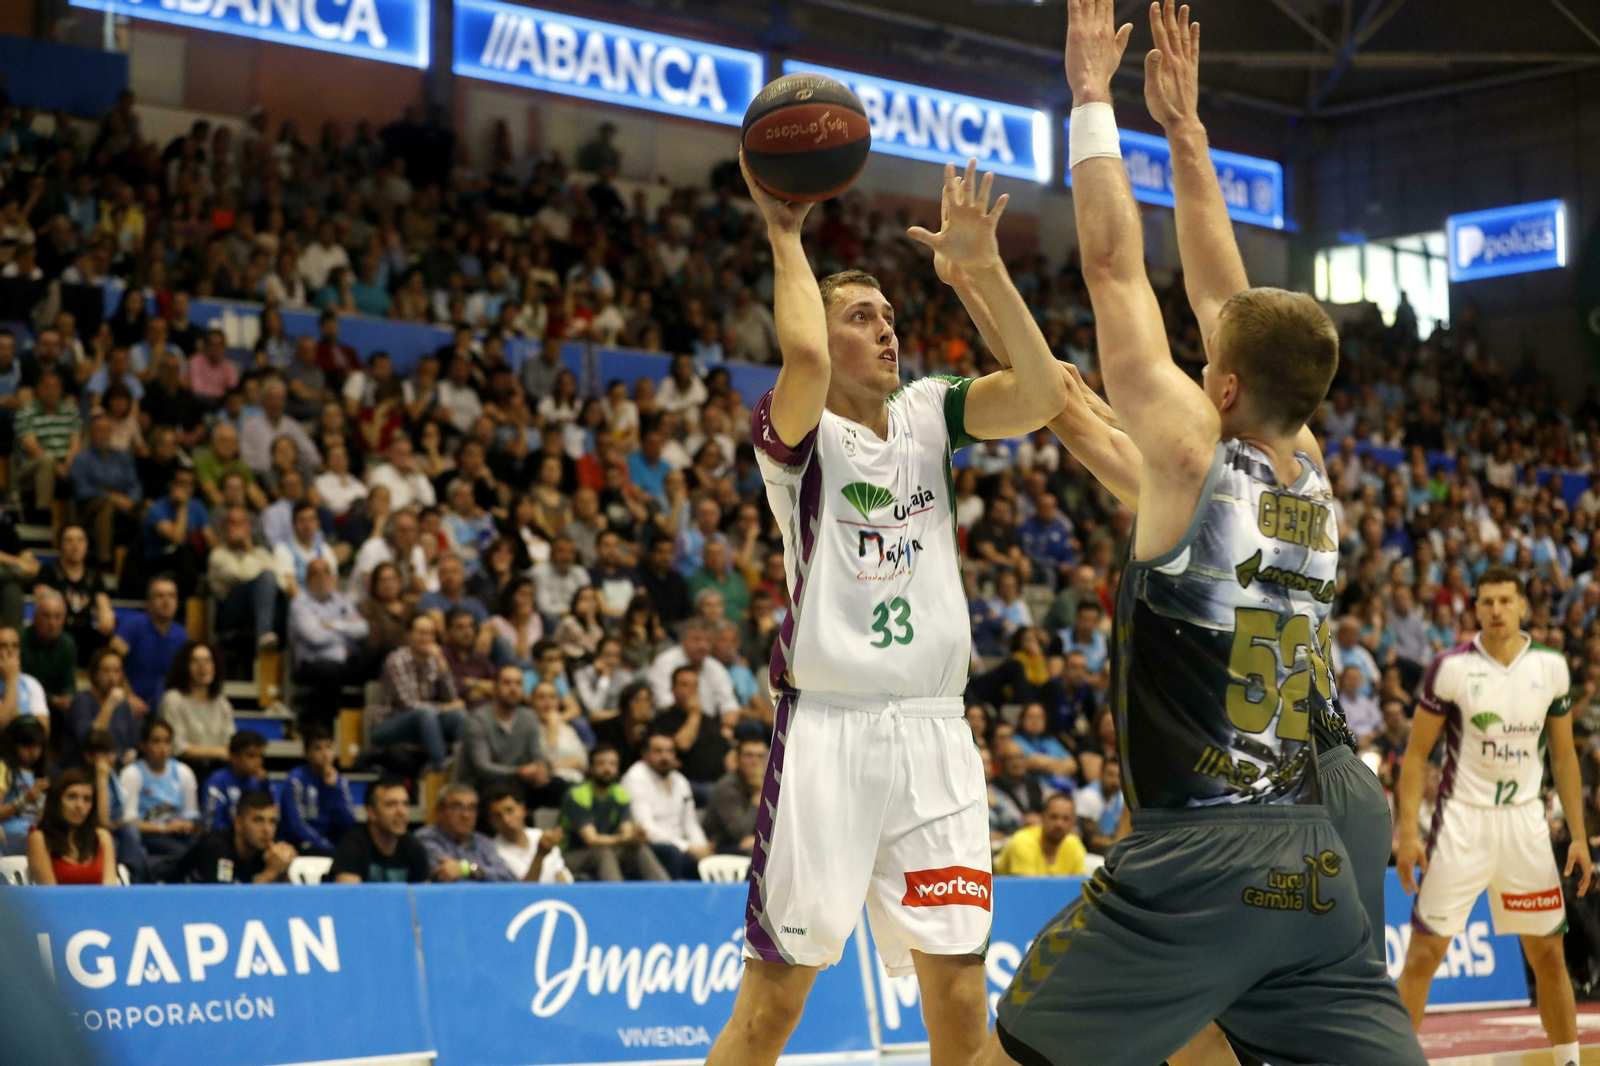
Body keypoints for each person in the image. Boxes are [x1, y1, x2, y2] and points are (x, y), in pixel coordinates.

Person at [984, 6, 1422, 1066]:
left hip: (1202, 849)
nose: (1200, 355)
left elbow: (1111, 269)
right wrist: (1185, 132)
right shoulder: (1312, 473)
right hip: (1310, 849)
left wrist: (1092, 100)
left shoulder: (1189, 456)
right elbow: (1231, 298)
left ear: (1221, 387)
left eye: (1209, 361)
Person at [1396, 567, 1589, 1066]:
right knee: (1424, 955)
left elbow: (1564, 756)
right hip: (1462, 823)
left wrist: (1579, 836)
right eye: (1487, 602)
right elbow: (1415, 757)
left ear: (1523, 606)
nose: (1496, 610)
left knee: (1548, 955)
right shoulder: (1451, 668)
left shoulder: (1551, 667)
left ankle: (1568, 1061)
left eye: (1505, 601)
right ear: (1476, 609)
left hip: (1525, 823)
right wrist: (1407, 833)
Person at [559, 744, 669, 882]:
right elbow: (591, 840)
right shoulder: (578, 795)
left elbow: (626, 832)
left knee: (638, 848)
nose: (608, 769)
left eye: (613, 764)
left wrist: (635, 836)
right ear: (591, 768)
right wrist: (623, 838)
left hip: (608, 849)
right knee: (603, 853)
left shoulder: (620, 793)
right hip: (570, 854)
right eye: (601, 764)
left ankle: (665, 889)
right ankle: (618, 894)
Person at [370, 614, 466, 772]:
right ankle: (440, 769)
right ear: (409, 635)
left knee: (459, 716)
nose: (426, 638)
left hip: (426, 723)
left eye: (430, 634)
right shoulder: (396, 660)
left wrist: (442, 665)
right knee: (425, 713)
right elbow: (408, 704)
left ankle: (461, 769)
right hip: (390, 723)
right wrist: (443, 708)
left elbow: (452, 699)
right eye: (421, 633)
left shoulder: (434, 660)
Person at [460, 664, 559, 805]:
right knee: (498, 787)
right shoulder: (477, 720)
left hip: (518, 784)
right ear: (495, 688)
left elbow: (536, 755)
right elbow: (482, 767)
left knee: (558, 785)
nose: (513, 689)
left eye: (518, 683)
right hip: (483, 785)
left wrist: (540, 769)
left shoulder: (529, 717)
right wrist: (520, 772)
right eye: (507, 683)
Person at [288, 558, 369, 729]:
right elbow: (315, 637)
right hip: (314, 663)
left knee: (380, 656)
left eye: (326, 573)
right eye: (316, 574)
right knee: (330, 672)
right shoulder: (300, 603)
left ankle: (369, 725)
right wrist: (346, 633)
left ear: (333, 577)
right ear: (308, 579)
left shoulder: (342, 600)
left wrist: (333, 625)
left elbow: (363, 629)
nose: (322, 578)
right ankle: (326, 728)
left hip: (346, 661)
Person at [620, 730, 713, 879]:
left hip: (681, 845)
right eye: (658, 751)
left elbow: (690, 823)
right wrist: (687, 847)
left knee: (712, 859)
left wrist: (701, 847)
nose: (665, 757)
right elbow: (646, 828)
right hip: (651, 845)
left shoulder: (680, 780)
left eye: (670, 751)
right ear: (645, 754)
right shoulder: (635, 778)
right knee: (673, 854)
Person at [117, 718, 200, 877]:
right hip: (147, 835)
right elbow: (127, 822)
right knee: (181, 852)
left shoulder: (183, 772)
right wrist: (164, 828)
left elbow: (191, 815)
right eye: (156, 741)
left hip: (177, 835)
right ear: (143, 745)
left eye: (167, 742)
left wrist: (187, 825)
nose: (162, 748)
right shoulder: (132, 773)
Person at [206, 506, 287, 652]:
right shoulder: (218, 554)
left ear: (249, 526)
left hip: (263, 608)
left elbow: (280, 581)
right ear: (224, 527)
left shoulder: (261, 552)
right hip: (232, 609)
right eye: (233, 523)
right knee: (266, 577)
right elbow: (243, 576)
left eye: (242, 523)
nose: (238, 527)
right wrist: (248, 549)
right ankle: (264, 634)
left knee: (285, 596)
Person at [36, 525, 115, 667]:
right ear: (60, 545)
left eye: (80, 540)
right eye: (69, 540)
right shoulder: (49, 571)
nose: (75, 546)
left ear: (86, 546)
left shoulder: (93, 576)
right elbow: (43, 601)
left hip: (84, 633)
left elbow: (104, 605)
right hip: (58, 632)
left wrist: (105, 616)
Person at [67, 412, 140, 566]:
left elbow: (135, 484)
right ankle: (104, 560)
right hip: (93, 503)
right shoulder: (82, 458)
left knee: (148, 509)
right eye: (99, 429)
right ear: (91, 432)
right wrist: (110, 496)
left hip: (124, 500)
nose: (103, 434)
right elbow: (81, 488)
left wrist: (132, 499)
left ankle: (145, 560)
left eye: (107, 430)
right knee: (106, 507)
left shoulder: (123, 457)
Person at [179, 788, 295, 884]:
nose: (267, 829)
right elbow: (227, 900)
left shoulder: (268, 852)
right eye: (258, 820)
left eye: (272, 821)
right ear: (238, 824)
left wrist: (284, 869)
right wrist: (271, 872)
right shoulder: (216, 848)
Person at [330, 775, 431, 883]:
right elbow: (348, 892)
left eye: (405, 804)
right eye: (391, 804)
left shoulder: (413, 847)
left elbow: (424, 892)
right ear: (371, 812)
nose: (401, 812)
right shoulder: (352, 847)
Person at [26, 769, 117, 885]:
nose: (79, 805)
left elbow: (110, 888)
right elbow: (49, 892)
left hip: (100, 898)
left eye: (87, 799)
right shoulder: (39, 838)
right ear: (56, 800)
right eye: (72, 797)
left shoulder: (102, 837)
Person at [651, 664, 729, 798]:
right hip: (686, 785)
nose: (691, 690)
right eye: (685, 685)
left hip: (718, 782)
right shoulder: (663, 720)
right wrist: (694, 714)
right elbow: (682, 745)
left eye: (695, 685)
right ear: (673, 689)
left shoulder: (709, 720)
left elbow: (726, 751)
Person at [277, 723, 356, 855]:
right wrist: (325, 846)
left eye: (328, 747)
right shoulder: (296, 780)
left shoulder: (339, 783)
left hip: (332, 845)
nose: (325, 754)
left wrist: (334, 790)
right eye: (318, 748)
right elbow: (296, 826)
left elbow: (348, 822)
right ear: (306, 753)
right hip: (301, 845)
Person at [12, 369, 79, 518]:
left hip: (66, 465)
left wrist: (69, 463)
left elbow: (75, 443)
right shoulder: (26, 412)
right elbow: (32, 447)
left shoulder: (70, 411)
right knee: (47, 460)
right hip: (30, 467)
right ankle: (43, 515)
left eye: (56, 387)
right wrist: (57, 466)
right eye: (47, 387)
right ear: (37, 390)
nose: (52, 391)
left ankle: (81, 519)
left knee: (84, 460)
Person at [139, 466, 214, 599]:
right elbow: (177, 539)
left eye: (189, 484)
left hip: (189, 561)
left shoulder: (198, 506)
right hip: (158, 559)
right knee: (185, 551)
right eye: (181, 483)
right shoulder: (157, 508)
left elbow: (211, 540)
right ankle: (187, 601)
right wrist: (182, 506)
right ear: (171, 485)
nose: (185, 488)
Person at [417, 783, 514, 882]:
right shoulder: (426, 838)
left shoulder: (483, 842)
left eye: (471, 808)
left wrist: (467, 869)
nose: (466, 815)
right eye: (457, 807)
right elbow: (447, 876)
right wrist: (479, 873)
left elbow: (508, 877)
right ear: (438, 812)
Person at [60, 646, 138, 770]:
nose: (111, 676)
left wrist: (131, 754)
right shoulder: (81, 701)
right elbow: (90, 741)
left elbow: (132, 743)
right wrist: (109, 704)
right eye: (106, 670)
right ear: (95, 674)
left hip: (116, 770)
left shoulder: (123, 705)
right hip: (83, 771)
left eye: (116, 671)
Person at [157, 640, 233, 765]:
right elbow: (177, 747)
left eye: (208, 661)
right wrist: (218, 752)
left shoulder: (221, 702)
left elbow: (229, 741)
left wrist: (222, 752)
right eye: (195, 661)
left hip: (217, 766)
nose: (202, 667)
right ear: (184, 667)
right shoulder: (173, 699)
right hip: (182, 765)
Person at [484, 782, 569, 882]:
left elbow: (560, 875)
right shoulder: (492, 852)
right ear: (491, 822)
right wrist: (540, 855)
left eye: (510, 810)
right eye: (497, 816)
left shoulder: (542, 836)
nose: (506, 820)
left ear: (522, 809)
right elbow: (520, 890)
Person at [993, 793, 1087, 876]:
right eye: (1053, 817)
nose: (1059, 824)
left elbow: (1078, 886)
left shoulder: (1074, 844)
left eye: (1066, 819)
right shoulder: (1023, 842)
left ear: (1073, 823)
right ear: (1042, 817)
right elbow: (1027, 888)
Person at [702, 735, 766, 855]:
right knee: (757, 855)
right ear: (737, 759)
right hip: (722, 846)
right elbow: (740, 833)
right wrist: (758, 794)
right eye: (749, 756)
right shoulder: (727, 787)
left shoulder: (771, 783)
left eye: (760, 756)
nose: (755, 762)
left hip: (754, 841)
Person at [21, 589, 77, 722]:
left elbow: (69, 683)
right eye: (46, 616)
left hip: (57, 711)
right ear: (35, 616)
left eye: (57, 617)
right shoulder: (19, 641)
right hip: (24, 707)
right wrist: (52, 699)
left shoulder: (68, 644)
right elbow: (20, 685)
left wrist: (67, 697)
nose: (52, 623)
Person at [0, 717, 50, 855]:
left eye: (37, 746)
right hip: (10, 834)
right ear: (13, 745)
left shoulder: (42, 774)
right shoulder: (5, 769)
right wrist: (25, 800)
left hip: (36, 835)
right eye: (26, 746)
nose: (33, 752)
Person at [201, 729, 266, 831]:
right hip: (221, 837)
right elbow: (211, 824)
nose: (258, 762)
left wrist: (265, 784)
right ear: (234, 757)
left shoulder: (258, 783)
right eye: (251, 756)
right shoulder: (217, 781)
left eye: (261, 756)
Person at [0, 625, 49, 739]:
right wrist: (11, 678)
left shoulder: (31, 684)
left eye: (15, 646)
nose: (10, 651)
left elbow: (43, 731)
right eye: (3, 645)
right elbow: (3, 726)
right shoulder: (13, 679)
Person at [1072, 757, 1123, 855]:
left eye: (1119, 776)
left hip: (1110, 848)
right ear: (1101, 774)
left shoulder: (1121, 797)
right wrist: (1121, 844)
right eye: (1110, 775)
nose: (1115, 781)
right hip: (1085, 852)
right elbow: (1091, 841)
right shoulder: (1089, 796)